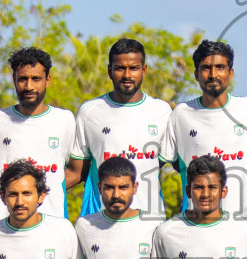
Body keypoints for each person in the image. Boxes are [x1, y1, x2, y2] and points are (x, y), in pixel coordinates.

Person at [68, 38, 173, 219]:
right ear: (110, 71)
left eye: (133, 68)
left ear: (144, 70)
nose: (127, 75)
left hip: (150, 220)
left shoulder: (162, 111)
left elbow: (171, 163)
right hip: (100, 221)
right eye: (120, 68)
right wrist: (32, 189)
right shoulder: (90, 111)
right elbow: (76, 172)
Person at [161, 39, 247, 218]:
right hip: (196, 224)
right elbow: (174, 161)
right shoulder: (181, 114)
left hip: (244, 223)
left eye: (220, 67)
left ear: (231, 73)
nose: (213, 74)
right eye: (206, 68)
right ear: (196, 74)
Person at [0, 47, 78, 223]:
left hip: (53, 226)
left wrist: (47, 189)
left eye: (36, 79)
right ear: (14, 80)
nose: (29, 86)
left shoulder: (64, 119)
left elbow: (77, 171)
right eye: (23, 79)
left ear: (47, 80)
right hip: (3, 226)